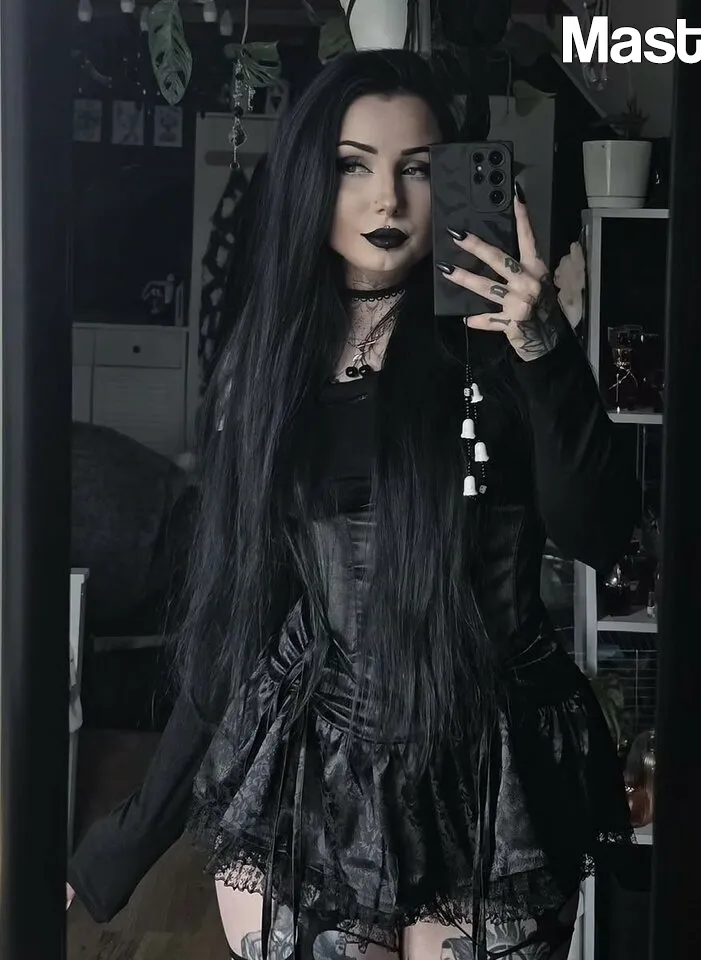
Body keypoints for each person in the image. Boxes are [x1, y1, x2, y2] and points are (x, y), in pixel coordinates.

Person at [67, 49, 639, 960]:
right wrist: (124, 842)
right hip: (315, 771)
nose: (387, 201)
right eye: (352, 165)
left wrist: (544, 349)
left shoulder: (500, 343)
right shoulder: (272, 363)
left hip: (496, 776)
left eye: (418, 169)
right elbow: (239, 614)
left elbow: (599, 532)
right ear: (310, 178)